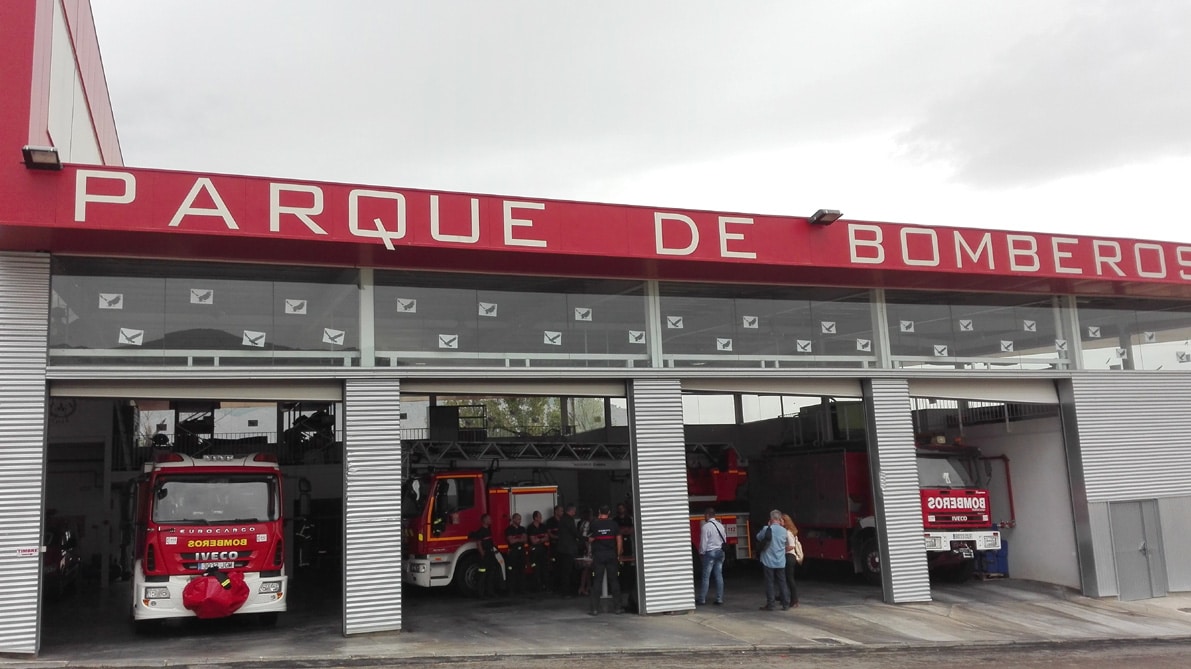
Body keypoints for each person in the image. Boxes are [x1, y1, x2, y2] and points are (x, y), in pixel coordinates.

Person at [587, 505, 623, 616]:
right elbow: (619, 541)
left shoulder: (594, 524)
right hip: (611, 555)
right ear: (609, 512)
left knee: (597, 581)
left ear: (599, 512)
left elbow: (590, 539)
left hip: (598, 556)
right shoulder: (614, 524)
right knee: (614, 581)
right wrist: (618, 555)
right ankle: (617, 608)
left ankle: (595, 609)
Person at [756, 509, 791, 611]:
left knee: (769, 582)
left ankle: (771, 604)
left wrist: (767, 526)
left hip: (768, 560)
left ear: (771, 518)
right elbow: (786, 544)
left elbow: (758, 537)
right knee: (782, 582)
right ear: (779, 519)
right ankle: (785, 603)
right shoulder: (784, 531)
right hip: (780, 560)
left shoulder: (766, 528)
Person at [697, 507, 727, 606]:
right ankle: (719, 598)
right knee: (719, 575)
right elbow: (724, 540)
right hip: (720, 552)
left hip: (710, 553)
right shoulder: (721, 526)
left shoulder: (706, 527)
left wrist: (701, 553)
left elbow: (703, 543)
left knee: (706, 576)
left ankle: (702, 599)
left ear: (707, 515)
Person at [469, 513, 502, 598]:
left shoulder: (488, 530)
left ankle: (490, 592)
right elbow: (479, 544)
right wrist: (482, 554)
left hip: (491, 554)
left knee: (491, 573)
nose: (491, 520)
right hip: (485, 555)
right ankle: (481, 594)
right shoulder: (481, 531)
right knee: (482, 575)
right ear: (484, 520)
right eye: (489, 519)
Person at [554, 503, 580, 596]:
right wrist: (585, 538)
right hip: (568, 549)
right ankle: (566, 592)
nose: (575, 512)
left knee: (564, 571)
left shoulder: (562, 519)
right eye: (574, 511)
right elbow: (574, 532)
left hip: (562, 549)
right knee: (568, 571)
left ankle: (565, 591)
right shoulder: (569, 520)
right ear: (571, 510)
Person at [526, 510, 550, 592]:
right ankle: (538, 587)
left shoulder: (543, 526)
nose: (541, 518)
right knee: (536, 569)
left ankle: (546, 586)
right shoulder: (530, 528)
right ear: (535, 518)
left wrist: (539, 540)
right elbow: (533, 541)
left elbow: (547, 537)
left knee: (545, 569)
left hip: (543, 550)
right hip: (535, 552)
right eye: (539, 516)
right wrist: (541, 539)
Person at [781, 513, 801, 608]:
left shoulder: (788, 532)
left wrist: (781, 549)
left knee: (789, 579)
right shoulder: (787, 531)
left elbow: (792, 545)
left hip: (789, 557)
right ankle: (789, 598)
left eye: (781, 521)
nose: (780, 522)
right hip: (789, 557)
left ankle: (794, 600)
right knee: (787, 578)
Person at [504, 513, 527, 595]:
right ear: (513, 519)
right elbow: (511, 541)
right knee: (512, 571)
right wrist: (519, 539)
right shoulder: (509, 529)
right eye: (518, 519)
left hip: (521, 552)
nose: (519, 521)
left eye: (520, 519)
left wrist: (516, 539)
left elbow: (525, 540)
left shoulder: (522, 529)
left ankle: (522, 589)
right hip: (513, 552)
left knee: (522, 571)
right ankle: (511, 590)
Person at [576, 507, 593, 595]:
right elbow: (584, 537)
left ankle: (588, 586)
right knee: (586, 569)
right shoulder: (586, 524)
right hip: (587, 548)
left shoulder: (582, 523)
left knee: (588, 569)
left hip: (586, 547)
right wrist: (587, 549)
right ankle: (582, 587)